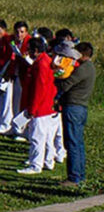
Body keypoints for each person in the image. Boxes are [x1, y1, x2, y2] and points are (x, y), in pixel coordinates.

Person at [17, 38, 63, 175]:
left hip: (41, 108)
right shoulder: (44, 61)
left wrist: (32, 109)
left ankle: (35, 165)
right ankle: (48, 161)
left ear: (36, 51)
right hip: (46, 106)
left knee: (37, 137)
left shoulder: (41, 64)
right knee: (47, 136)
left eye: (30, 49)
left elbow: (39, 89)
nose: (28, 52)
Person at [56, 42, 95, 187]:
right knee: (77, 142)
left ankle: (73, 177)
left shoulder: (82, 69)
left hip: (73, 107)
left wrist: (58, 76)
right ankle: (80, 174)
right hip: (80, 108)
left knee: (72, 142)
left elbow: (66, 84)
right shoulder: (89, 68)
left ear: (82, 54)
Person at [0, 20, 17, 133]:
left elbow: (12, 55)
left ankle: (6, 124)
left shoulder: (9, 40)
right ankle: (0, 121)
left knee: (7, 100)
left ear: (4, 29)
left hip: (6, 74)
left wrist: (7, 72)